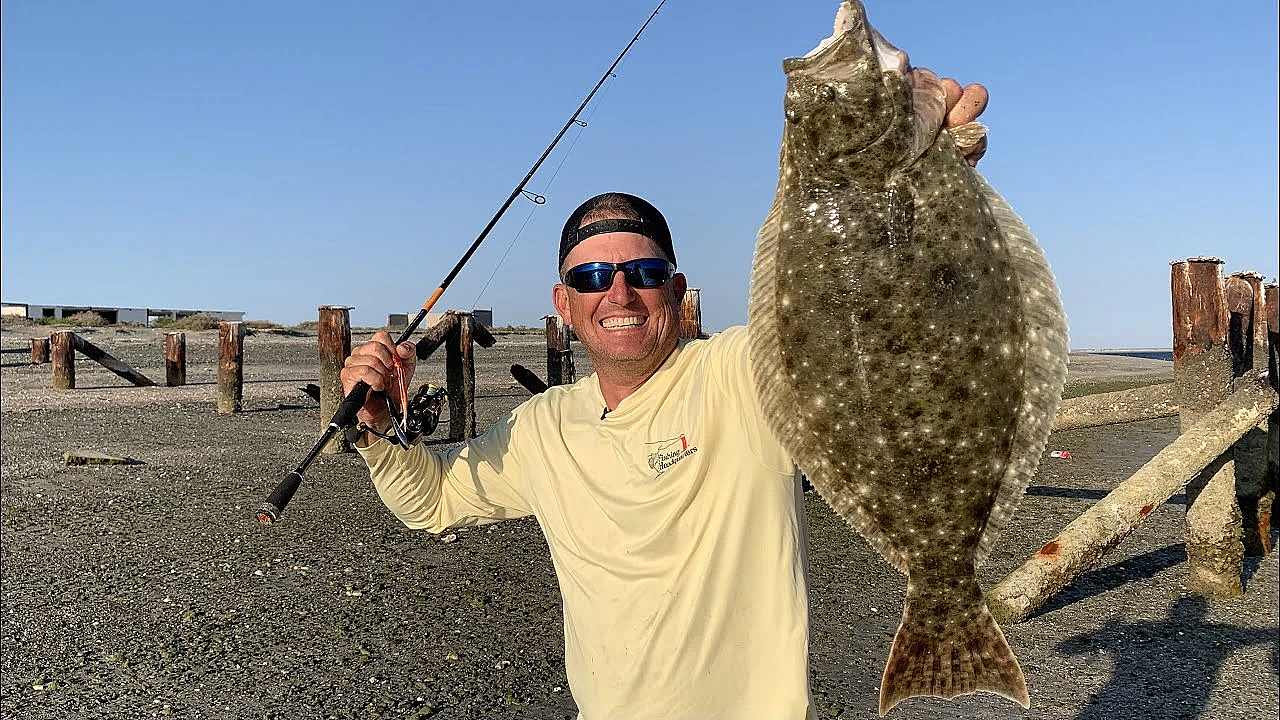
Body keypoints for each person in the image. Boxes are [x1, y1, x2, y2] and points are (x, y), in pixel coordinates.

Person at [341, 80, 989, 720]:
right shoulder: (541, 428)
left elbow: (860, 314)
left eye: (645, 273)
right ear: (564, 303)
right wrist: (376, 425)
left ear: (676, 293)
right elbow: (432, 500)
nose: (619, 293)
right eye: (593, 276)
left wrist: (914, 190)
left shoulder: (741, 375)